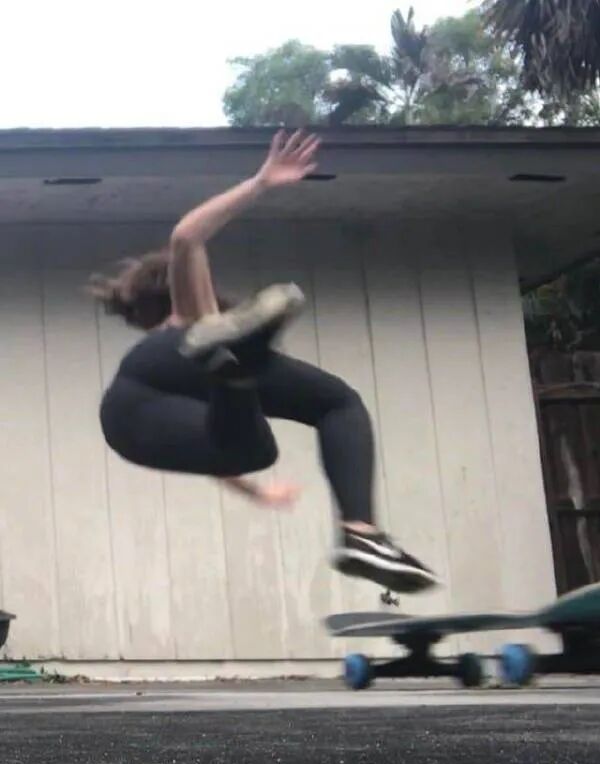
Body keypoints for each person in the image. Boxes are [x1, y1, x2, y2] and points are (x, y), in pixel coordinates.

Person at [92, 130, 438, 594]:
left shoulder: (176, 365)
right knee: (336, 402)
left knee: (252, 449)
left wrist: (258, 494)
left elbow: (210, 454)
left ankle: (236, 370)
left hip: (128, 427)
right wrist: (261, 182)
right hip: (169, 368)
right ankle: (359, 527)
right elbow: (186, 237)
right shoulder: (188, 316)